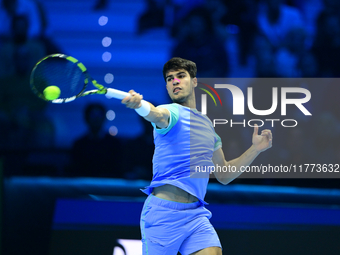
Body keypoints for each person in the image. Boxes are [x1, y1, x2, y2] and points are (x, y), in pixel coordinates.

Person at [122, 57, 273, 255]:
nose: (175, 81)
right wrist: (140, 106)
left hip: (195, 215)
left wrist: (256, 149)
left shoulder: (208, 126)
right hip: (163, 215)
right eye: (169, 78)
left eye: (181, 76)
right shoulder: (171, 112)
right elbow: (156, 114)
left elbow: (224, 174)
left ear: (194, 81)